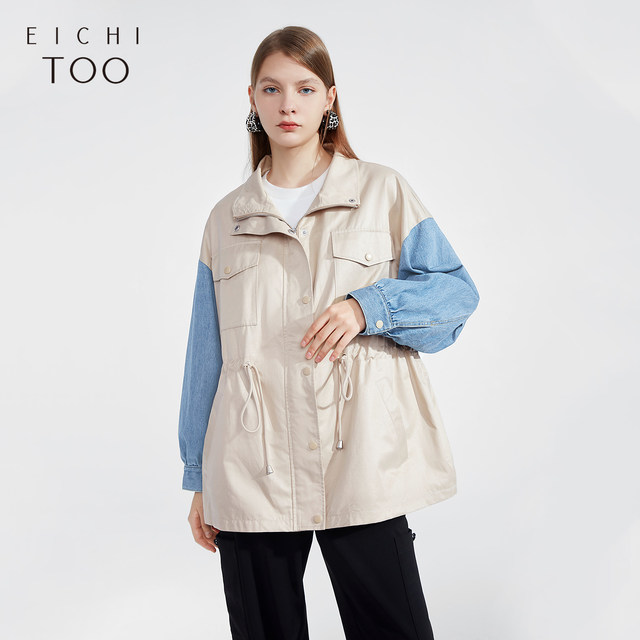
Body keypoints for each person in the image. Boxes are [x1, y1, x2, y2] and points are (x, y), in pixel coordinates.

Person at [178, 25, 480, 640]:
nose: (288, 104)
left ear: (329, 98)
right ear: (252, 99)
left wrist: (368, 307)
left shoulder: (381, 191)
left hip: (362, 458)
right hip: (251, 468)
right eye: (272, 89)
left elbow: (456, 294)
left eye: (305, 88)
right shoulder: (226, 219)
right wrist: (198, 478)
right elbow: (205, 357)